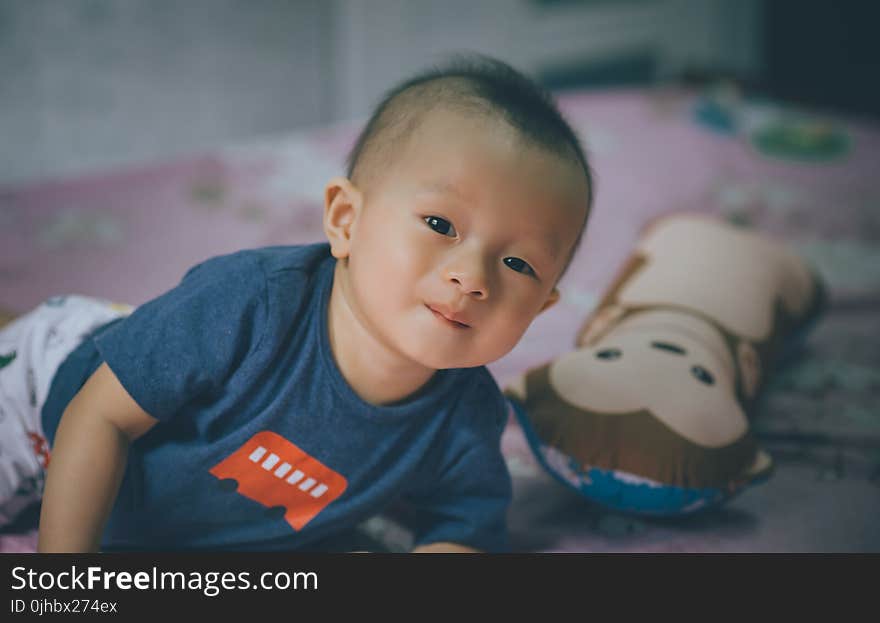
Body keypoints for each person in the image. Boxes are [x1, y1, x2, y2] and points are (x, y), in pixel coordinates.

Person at [0, 54, 594, 552]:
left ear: (541, 309)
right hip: (49, 399)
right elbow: (98, 416)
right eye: (440, 223)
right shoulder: (249, 305)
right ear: (345, 221)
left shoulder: (465, 418)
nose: (472, 277)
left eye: (519, 264)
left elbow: (463, 532)